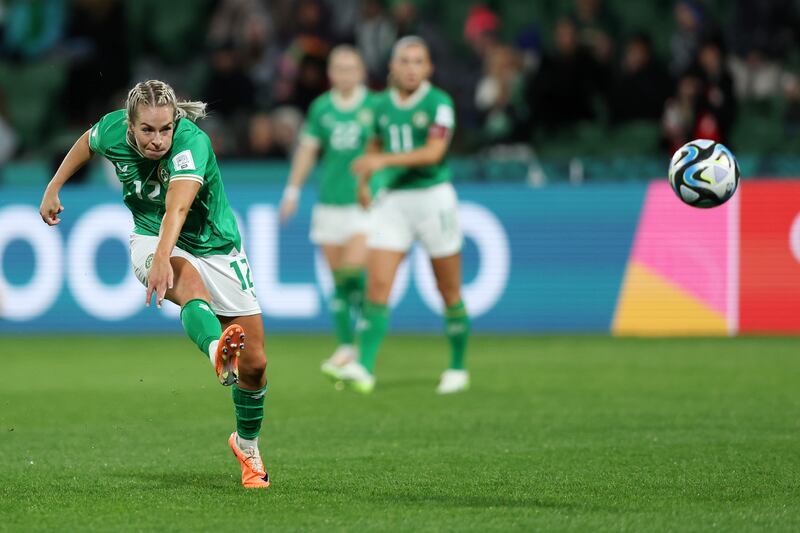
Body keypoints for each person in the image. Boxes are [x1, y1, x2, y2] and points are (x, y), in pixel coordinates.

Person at [38, 80, 270, 489]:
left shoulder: (192, 143)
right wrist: (54, 186)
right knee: (190, 284)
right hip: (149, 235)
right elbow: (85, 143)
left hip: (215, 244)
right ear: (129, 125)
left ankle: (246, 443)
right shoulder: (112, 129)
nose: (158, 139)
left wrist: (166, 255)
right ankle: (218, 351)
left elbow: (178, 207)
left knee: (256, 366)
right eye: (147, 130)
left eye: (165, 129)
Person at [340, 36, 470, 395]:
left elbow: (433, 153)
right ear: (392, 67)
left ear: (428, 68)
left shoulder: (439, 103)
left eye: (419, 62)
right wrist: (365, 183)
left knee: (448, 289)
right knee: (377, 287)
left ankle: (458, 367)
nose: (412, 68)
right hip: (394, 202)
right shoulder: (379, 106)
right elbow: (373, 145)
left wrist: (381, 163)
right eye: (405, 61)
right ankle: (364, 367)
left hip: (433, 199)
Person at [280, 45, 373, 378]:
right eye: (339, 68)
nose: (345, 74)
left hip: (362, 205)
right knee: (338, 282)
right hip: (329, 204)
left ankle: (364, 339)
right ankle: (347, 346)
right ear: (331, 73)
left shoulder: (374, 107)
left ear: (361, 71)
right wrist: (292, 191)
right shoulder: (322, 109)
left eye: (351, 67)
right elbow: (307, 151)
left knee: (352, 272)